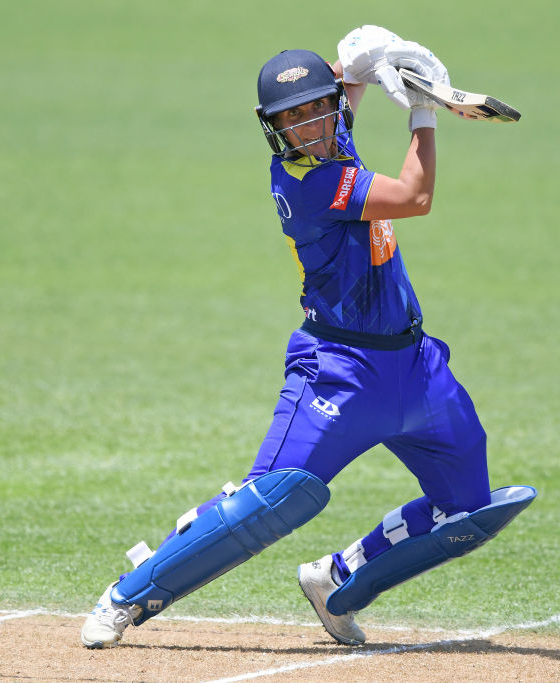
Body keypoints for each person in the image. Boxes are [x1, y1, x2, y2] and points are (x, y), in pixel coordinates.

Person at [80, 26, 535, 650]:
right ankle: (129, 595)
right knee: (274, 499)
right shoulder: (306, 180)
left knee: (468, 511)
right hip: (339, 368)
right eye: (293, 118)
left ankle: (336, 578)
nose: (311, 125)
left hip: (418, 367)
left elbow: (337, 77)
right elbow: (414, 196)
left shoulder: (330, 138)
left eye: (319, 109)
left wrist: (361, 57)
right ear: (275, 129)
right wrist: (424, 109)